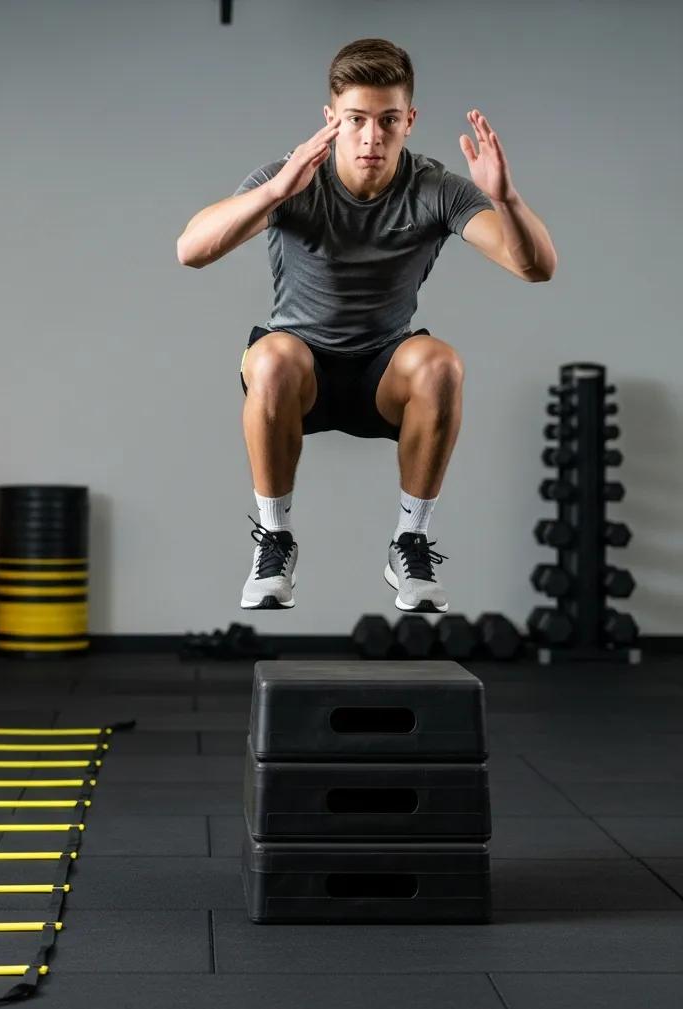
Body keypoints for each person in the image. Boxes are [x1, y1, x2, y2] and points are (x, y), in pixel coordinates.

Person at [176, 37, 557, 613]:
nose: (371, 137)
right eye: (356, 120)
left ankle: (410, 540)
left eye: (387, 120)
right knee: (272, 358)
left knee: (440, 363)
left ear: (410, 120)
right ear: (331, 120)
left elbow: (535, 268)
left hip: (383, 372)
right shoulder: (293, 177)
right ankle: (274, 540)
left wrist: (506, 199)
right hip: (299, 372)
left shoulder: (436, 189)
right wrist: (277, 192)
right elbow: (191, 251)